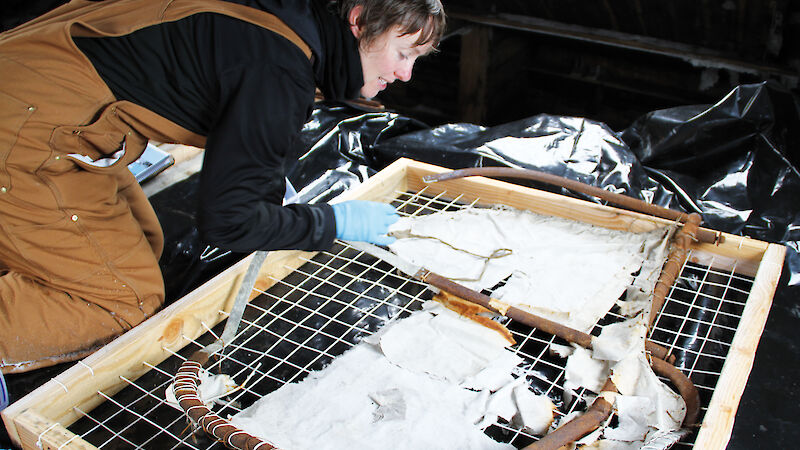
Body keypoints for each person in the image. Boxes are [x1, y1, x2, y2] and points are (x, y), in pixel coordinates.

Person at [0, 0, 446, 373]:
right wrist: (332, 220)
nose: (406, 75)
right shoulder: (280, 64)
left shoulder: (293, 20)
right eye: (403, 53)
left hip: (49, 95)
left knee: (145, 243)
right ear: (360, 20)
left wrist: (264, 166)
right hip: (26, 126)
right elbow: (228, 222)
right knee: (123, 301)